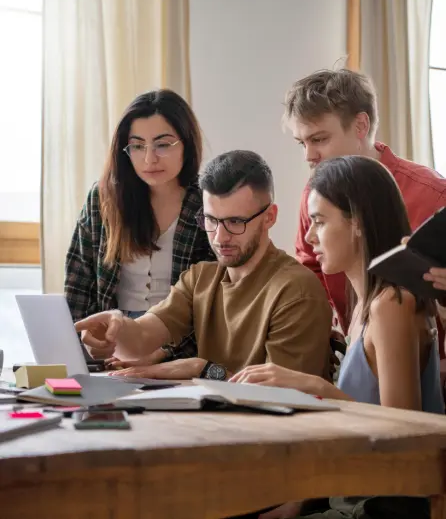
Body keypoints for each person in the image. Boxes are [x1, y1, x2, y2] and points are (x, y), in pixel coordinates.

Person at [231, 156, 443, 519]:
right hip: (349, 497)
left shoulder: (392, 304)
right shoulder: (364, 304)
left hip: (382, 506)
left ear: (357, 222)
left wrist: (318, 387)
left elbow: (404, 437)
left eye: (319, 221)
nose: (309, 236)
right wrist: (298, 503)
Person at [74, 150, 333, 381]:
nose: (220, 237)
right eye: (211, 220)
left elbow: (284, 395)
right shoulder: (201, 278)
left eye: (235, 222)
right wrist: (115, 328)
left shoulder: (297, 291)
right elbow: (141, 338)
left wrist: (202, 369)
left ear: (269, 217)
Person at [285, 68, 446, 343]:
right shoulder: (313, 194)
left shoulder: (435, 196)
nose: (308, 156)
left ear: (360, 125)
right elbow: (309, 275)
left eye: (319, 139)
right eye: (302, 143)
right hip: (356, 358)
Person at [65, 89, 215, 364]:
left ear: (187, 143)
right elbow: (78, 287)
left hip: (182, 348)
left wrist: (160, 356)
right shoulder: (103, 199)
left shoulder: (208, 202)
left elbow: (213, 303)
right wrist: (88, 345)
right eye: (137, 145)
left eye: (163, 144)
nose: (149, 159)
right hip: (112, 340)